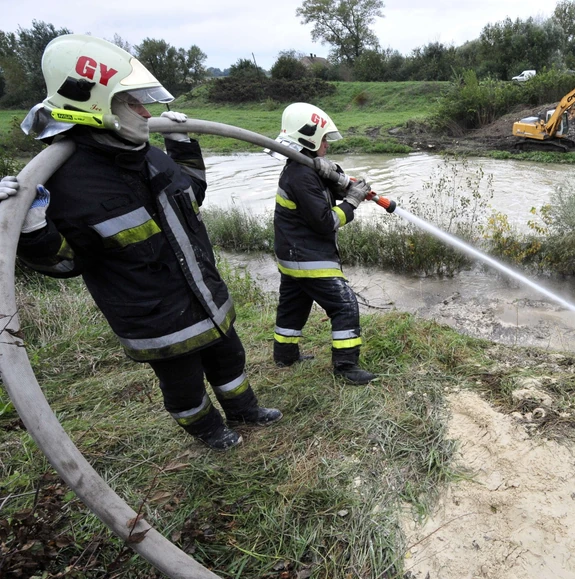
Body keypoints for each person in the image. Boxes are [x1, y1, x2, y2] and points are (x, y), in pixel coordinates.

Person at [10, 34, 281, 451]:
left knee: (230, 359)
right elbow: (64, 263)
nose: (144, 111)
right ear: (96, 106)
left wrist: (182, 145)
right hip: (157, 321)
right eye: (131, 103)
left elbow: (193, 195)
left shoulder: (146, 152)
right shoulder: (69, 181)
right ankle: (208, 431)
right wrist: (30, 226)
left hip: (205, 296)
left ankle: (245, 410)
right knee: (185, 387)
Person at [270, 102, 376, 385]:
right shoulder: (302, 176)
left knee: (294, 304)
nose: (327, 144)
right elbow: (326, 221)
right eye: (324, 138)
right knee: (344, 306)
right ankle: (346, 366)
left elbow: (326, 186)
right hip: (308, 255)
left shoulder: (302, 169)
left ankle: (284, 354)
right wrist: (352, 201)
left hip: (291, 254)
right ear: (308, 137)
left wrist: (336, 175)